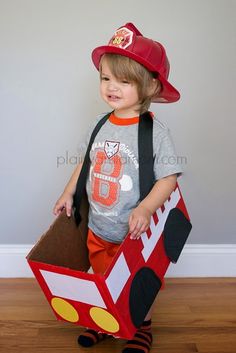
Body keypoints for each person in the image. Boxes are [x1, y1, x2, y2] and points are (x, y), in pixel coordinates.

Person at [53, 22, 183, 353]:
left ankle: (142, 327)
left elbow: (168, 177)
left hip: (134, 233)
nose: (112, 87)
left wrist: (145, 208)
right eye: (106, 78)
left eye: (124, 81)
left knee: (140, 284)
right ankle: (106, 321)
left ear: (151, 86)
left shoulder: (155, 132)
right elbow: (84, 161)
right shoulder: (100, 124)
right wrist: (68, 192)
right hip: (99, 226)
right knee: (102, 277)